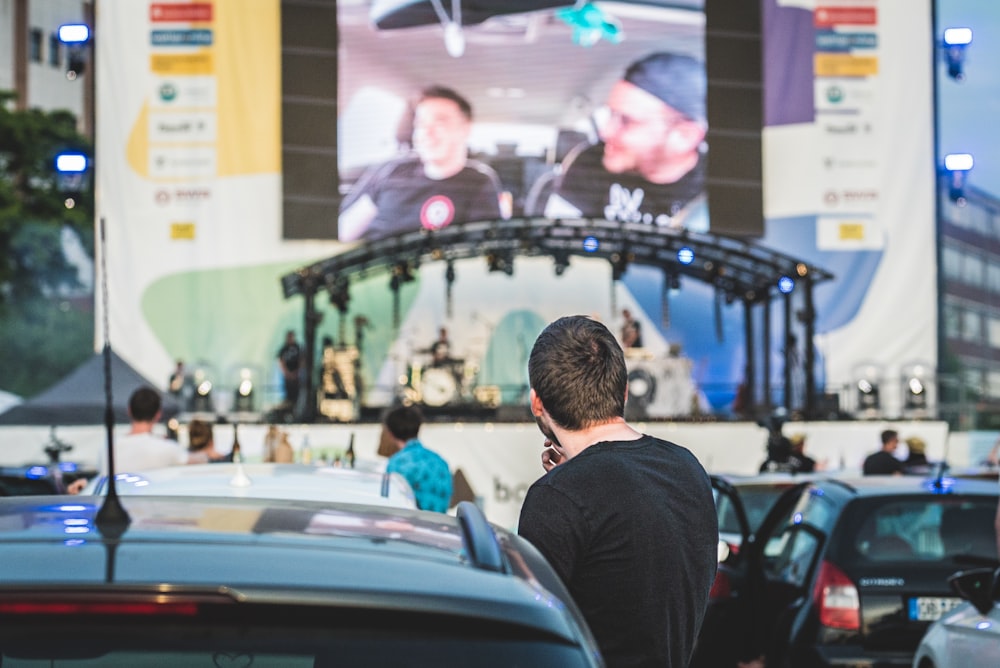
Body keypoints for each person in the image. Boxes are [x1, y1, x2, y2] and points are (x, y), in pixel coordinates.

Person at [517, 315, 718, 667]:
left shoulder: (557, 498)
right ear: (623, 391)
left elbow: (532, 640)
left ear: (537, 403)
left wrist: (568, 486)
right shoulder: (688, 469)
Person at [543, 52, 708, 232]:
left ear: (685, 136)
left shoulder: (717, 186)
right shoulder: (589, 161)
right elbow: (561, 240)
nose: (606, 131)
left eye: (627, 121)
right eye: (611, 115)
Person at [338, 85, 505, 241]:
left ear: (465, 129)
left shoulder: (478, 183)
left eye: (440, 122)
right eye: (421, 124)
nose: (427, 132)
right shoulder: (391, 171)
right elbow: (343, 231)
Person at [381, 405, 453, 513]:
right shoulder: (440, 461)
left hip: (413, 526)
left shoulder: (397, 463)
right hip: (439, 525)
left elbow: (390, 503)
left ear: (390, 434)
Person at [101, 386, 187, 475]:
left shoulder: (108, 448)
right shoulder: (167, 448)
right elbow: (194, 460)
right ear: (158, 414)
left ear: (129, 411)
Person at [277, 330, 302, 411]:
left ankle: (295, 407)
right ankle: (288, 408)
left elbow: (301, 360)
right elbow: (281, 361)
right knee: (288, 392)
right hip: (287, 375)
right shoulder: (284, 349)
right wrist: (286, 373)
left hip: (296, 375)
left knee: (296, 393)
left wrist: (297, 372)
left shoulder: (297, 348)